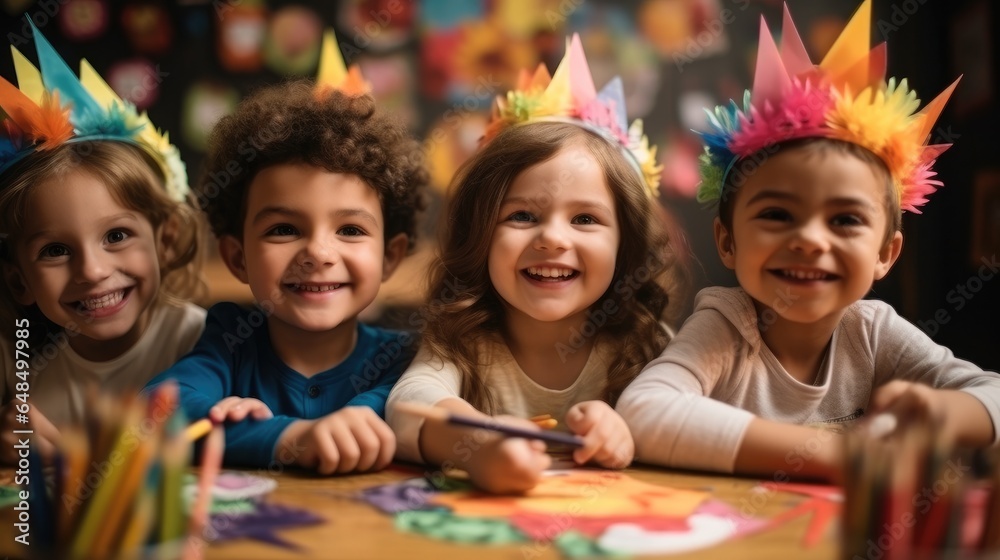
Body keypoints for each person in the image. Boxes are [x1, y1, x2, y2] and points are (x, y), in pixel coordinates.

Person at [617, 0, 1000, 481]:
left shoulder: (873, 331)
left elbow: (993, 394)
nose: (809, 240)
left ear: (886, 253)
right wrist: (834, 456)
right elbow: (644, 411)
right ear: (728, 242)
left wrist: (944, 414)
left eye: (844, 221)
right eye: (778, 214)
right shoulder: (726, 326)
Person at [386, 35, 686, 493]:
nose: (551, 238)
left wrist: (633, 427)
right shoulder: (462, 339)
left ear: (625, 246)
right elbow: (409, 407)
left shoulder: (646, 343)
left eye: (585, 219)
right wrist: (479, 443)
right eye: (522, 216)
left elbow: (696, 421)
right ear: (481, 234)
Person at [144, 31, 428, 475]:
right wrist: (291, 438)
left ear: (389, 256)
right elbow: (157, 412)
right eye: (283, 229)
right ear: (238, 258)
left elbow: (402, 414)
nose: (317, 252)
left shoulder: (407, 358)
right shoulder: (229, 340)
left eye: (350, 229)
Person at [0, 23, 205, 463]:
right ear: (19, 281)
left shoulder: (208, 344)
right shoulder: (28, 381)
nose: (92, 271)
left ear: (165, 240)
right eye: (55, 250)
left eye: (116, 235)